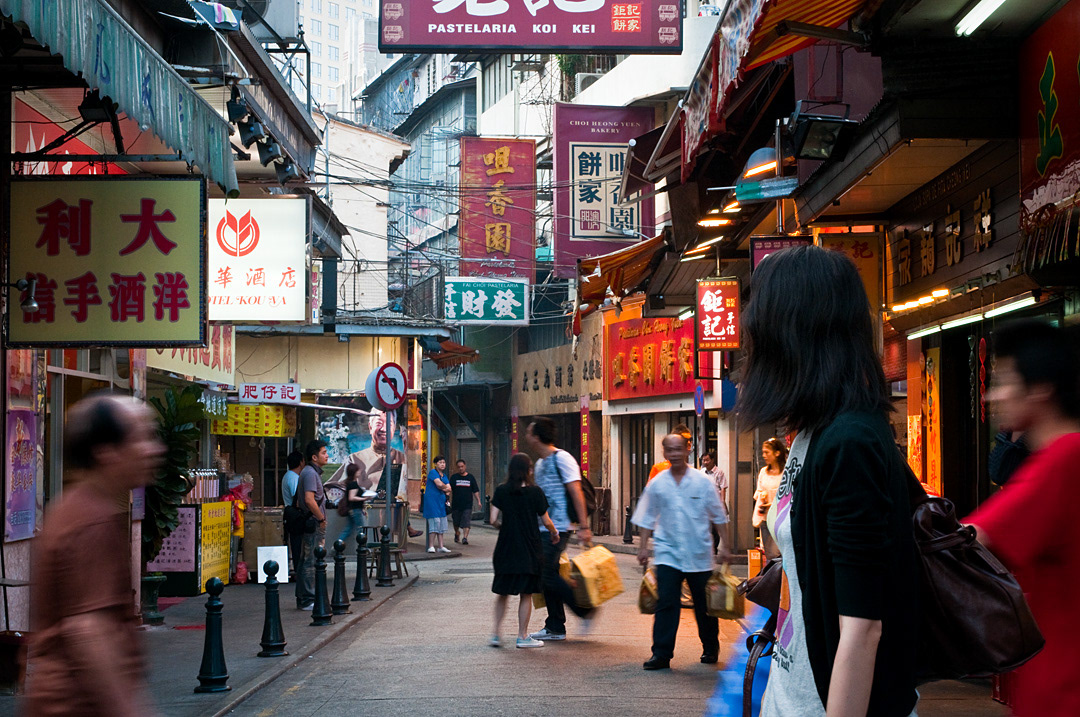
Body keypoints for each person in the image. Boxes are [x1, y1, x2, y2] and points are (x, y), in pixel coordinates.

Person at [737, 245, 918, 716]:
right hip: (791, 693)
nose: (751, 348)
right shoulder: (812, 435)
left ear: (793, 336)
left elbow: (863, 628)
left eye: (760, 330)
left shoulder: (849, 441)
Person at [967, 320, 1080, 716]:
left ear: (1041, 389)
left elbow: (968, 540)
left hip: (1062, 692)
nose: (993, 395)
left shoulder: (1063, 459)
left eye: (1005, 381)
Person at [26, 394, 165, 717]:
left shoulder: (74, 507)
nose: (154, 450)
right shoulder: (92, 521)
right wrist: (128, 710)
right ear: (107, 453)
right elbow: (89, 631)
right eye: (141, 438)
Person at [633, 433, 728, 670]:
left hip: (699, 554)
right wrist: (643, 547)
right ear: (664, 452)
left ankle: (710, 647)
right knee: (666, 603)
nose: (674, 454)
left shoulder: (702, 482)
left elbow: (718, 514)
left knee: (704, 606)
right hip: (668, 553)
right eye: (670, 450)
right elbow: (646, 516)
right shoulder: (658, 483)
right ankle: (661, 654)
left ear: (688, 449)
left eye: (678, 449)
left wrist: (725, 545)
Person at [524, 416, 595, 642]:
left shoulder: (562, 458)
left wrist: (584, 526)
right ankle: (555, 626)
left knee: (545, 573)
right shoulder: (540, 464)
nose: (526, 436)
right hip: (543, 528)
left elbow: (576, 491)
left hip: (560, 527)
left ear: (537, 436)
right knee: (548, 574)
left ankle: (585, 611)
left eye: (529, 432)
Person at [490, 453, 561, 648]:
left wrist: (504, 528)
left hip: (505, 548)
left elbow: (493, 519)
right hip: (529, 548)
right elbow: (546, 521)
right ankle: (522, 636)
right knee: (526, 594)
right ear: (528, 470)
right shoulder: (535, 492)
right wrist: (555, 533)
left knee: (502, 592)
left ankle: (495, 634)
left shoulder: (502, 490)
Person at [327, 409, 422, 538]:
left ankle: (407, 529)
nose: (383, 429)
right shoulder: (355, 458)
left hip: (387, 505)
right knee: (357, 529)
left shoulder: (401, 457)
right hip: (368, 508)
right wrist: (364, 495)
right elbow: (333, 487)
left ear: (394, 428)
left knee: (399, 506)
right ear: (370, 427)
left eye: (388, 424)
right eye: (378, 423)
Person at [296, 439, 329, 610]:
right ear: (314, 457)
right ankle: (308, 599)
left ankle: (304, 596)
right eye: (324, 453)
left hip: (312, 521)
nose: (327, 455)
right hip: (313, 523)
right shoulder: (310, 473)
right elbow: (309, 500)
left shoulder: (311, 473)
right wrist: (321, 518)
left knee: (307, 559)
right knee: (310, 561)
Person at [753, 437, 788, 558]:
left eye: (767, 452)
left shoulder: (786, 472)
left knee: (781, 553)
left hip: (782, 519)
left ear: (777, 453)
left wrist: (773, 504)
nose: (764, 455)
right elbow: (758, 492)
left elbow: (789, 496)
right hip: (766, 519)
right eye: (763, 452)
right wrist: (761, 499)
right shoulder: (763, 472)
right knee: (770, 555)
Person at [281, 450, 304, 580]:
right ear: (301, 462)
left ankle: (297, 568)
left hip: (291, 513)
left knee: (296, 543)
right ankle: (298, 570)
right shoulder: (293, 477)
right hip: (295, 515)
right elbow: (297, 499)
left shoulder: (288, 476)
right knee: (297, 544)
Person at [424, 455, 452, 553]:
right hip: (432, 502)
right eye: (440, 462)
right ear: (436, 464)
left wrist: (444, 488)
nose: (442, 464)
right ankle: (431, 546)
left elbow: (449, 488)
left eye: (443, 462)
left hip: (441, 502)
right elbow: (439, 484)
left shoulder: (444, 476)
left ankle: (441, 546)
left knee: (442, 524)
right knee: (434, 523)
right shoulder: (433, 472)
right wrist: (445, 488)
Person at [700, 451, 727, 553]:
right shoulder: (701, 472)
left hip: (715, 504)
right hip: (703, 505)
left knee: (715, 529)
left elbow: (723, 488)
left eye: (707, 460)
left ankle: (714, 549)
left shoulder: (719, 472)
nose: (705, 462)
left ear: (712, 460)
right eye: (703, 460)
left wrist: (722, 503)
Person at [336, 463, 369, 545]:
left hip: (351, 510)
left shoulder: (350, 483)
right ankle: (363, 547)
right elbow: (351, 497)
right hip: (356, 509)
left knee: (348, 529)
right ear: (354, 472)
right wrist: (364, 499)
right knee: (360, 529)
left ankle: (338, 544)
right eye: (358, 471)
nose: (359, 472)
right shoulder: (353, 484)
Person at [451, 459, 481, 545]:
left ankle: (465, 538)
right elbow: (449, 489)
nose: (461, 468)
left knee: (466, 521)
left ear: (465, 466)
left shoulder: (470, 477)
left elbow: (475, 490)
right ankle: (457, 532)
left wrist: (478, 501)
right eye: (459, 467)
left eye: (462, 466)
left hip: (467, 504)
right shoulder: (454, 478)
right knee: (456, 522)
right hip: (456, 504)